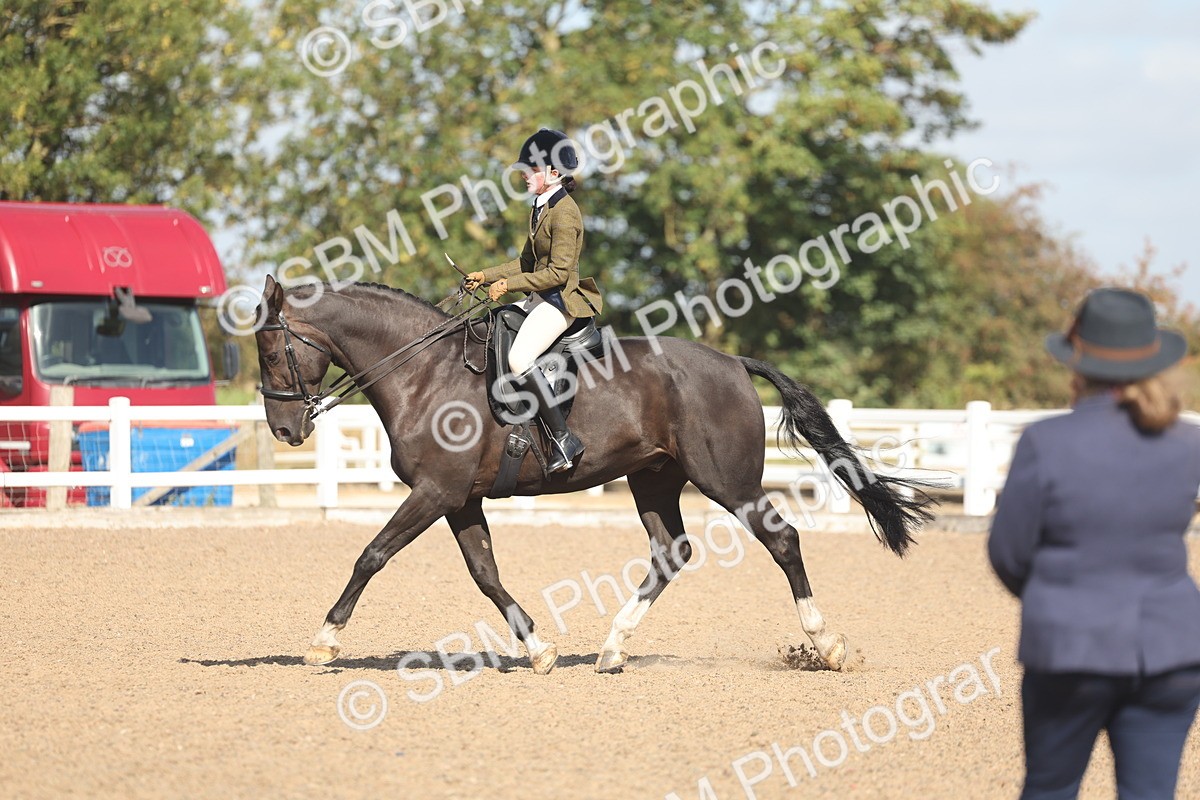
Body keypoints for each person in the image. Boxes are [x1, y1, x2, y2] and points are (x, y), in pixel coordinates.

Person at [988, 287, 1200, 799]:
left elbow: (1008, 553)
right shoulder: (1188, 443)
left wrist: (1056, 596)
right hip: (1172, 649)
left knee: (1051, 788)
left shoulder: (1046, 441)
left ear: (1077, 363)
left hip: (1070, 647)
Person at [466, 128, 603, 473]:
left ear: (553, 173)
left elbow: (558, 273)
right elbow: (526, 263)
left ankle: (563, 439)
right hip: (539, 298)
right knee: (492, 325)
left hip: (560, 303)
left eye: (531, 169)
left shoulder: (565, 212)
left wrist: (508, 285)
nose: (524, 174)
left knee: (519, 358)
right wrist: (485, 275)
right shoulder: (541, 207)